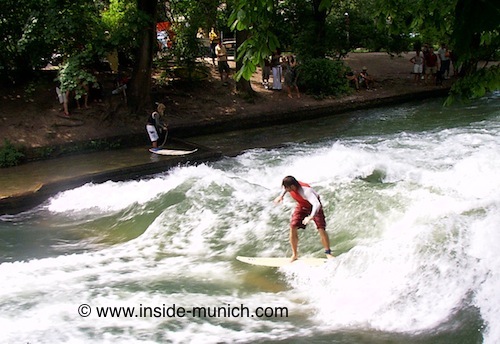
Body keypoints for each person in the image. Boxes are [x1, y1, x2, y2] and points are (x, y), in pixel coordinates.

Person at [274, 176, 333, 262]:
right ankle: (294, 255)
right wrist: (281, 196)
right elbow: (285, 188)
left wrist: (311, 216)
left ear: (293, 186)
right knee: (293, 226)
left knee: (321, 228)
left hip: (314, 206)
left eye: (288, 188)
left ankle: (328, 253)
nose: (286, 190)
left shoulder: (306, 191)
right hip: (302, 206)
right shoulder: (290, 186)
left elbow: (316, 204)